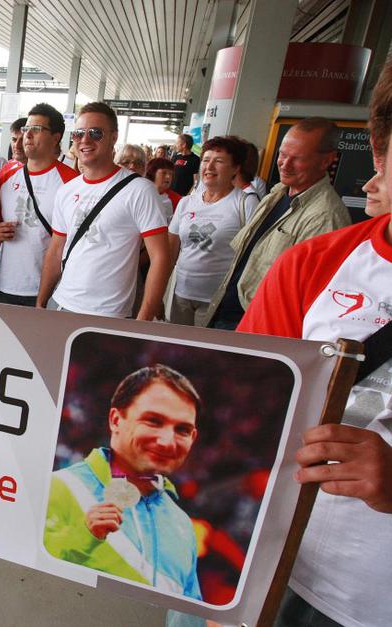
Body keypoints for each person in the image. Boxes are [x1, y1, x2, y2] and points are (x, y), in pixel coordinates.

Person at [235, 59, 392, 627]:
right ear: (380, 153)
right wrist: (223, 577)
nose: (285, 164)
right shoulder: (316, 264)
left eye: (296, 156)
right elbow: (244, 416)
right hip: (288, 574)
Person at [44, 364, 202, 600]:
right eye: (153, 421)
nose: (167, 442)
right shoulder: (59, 487)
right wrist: (83, 536)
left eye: (182, 430)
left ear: (193, 437)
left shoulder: (183, 524)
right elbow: (20, 581)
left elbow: (188, 612)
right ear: (116, 420)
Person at [203, 118, 351, 329]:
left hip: (258, 326)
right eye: (282, 154)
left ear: (326, 160)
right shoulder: (279, 192)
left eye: (297, 158)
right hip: (227, 313)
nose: (284, 164)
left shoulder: (327, 216)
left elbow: (307, 296)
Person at [36, 101, 171, 320]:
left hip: (109, 315)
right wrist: (41, 300)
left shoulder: (140, 190)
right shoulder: (67, 191)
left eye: (95, 133)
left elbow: (161, 258)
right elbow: (56, 248)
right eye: (79, 133)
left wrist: (143, 320)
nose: (85, 140)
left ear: (113, 137)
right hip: (60, 304)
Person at [0, 103, 77, 307]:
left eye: (36, 129)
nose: (27, 135)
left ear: (55, 138)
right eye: (26, 128)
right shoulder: (7, 175)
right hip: (2, 284)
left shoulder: (71, 182)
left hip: (48, 290)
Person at [167, 136, 259, 326]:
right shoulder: (186, 203)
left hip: (218, 301)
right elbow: (170, 251)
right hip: (181, 294)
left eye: (219, 161)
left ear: (235, 168)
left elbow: (254, 256)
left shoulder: (246, 203)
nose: (209, 167)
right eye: (206, 160)